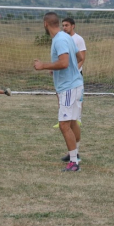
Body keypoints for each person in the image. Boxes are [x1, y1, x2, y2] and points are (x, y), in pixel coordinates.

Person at [33, 12, 84, 172]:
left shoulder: (60, 40)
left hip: (68, 87)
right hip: (76, 85)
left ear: (45, 24)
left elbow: (64, 63)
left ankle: (74, 163)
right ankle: (74, 155)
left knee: (64, 125)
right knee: (73, 121)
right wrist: (58, 69)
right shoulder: (66, 37)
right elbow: (79, 56)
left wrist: (44, 66)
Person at [60, 17, 87, 163]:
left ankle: (76, 153)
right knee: (68, 119)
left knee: (72, 119)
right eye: (62, 25)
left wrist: (74, 72)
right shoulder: (62, 39)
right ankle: (73, 153)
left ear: (73, 26)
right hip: (65, 80)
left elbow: (81, 58)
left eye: (67, 25)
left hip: (75, 79)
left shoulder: (78, 39)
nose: (64, 27)